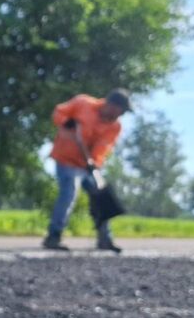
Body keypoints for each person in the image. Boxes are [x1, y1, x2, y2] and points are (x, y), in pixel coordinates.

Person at [41, 89, 132, 253]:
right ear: (111, 104)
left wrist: (94, 163)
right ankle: (53, 236)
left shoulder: (115, 126)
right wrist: (65, 122)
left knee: (101, 196)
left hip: (88, 166)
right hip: (66, 161)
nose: (122, 114)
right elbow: (59, 112)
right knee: (69, 193)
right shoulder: (83, 103)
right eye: (121, 110)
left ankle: (105, 239)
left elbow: (104, 146)